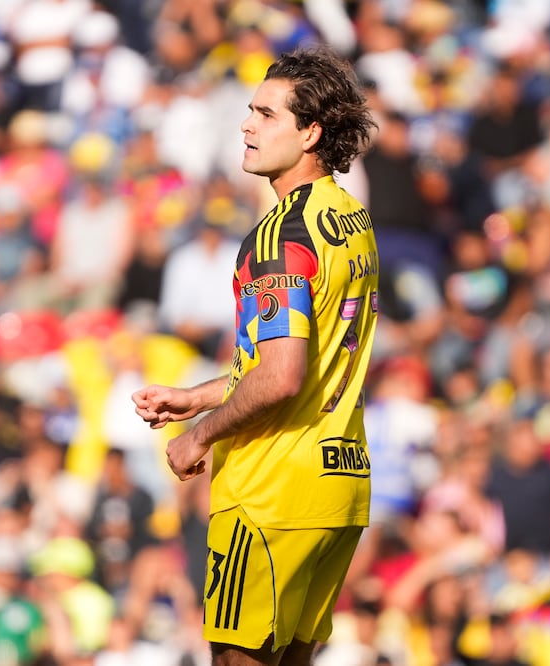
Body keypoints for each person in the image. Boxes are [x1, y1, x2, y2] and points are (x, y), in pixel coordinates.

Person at [132, 47, 378, 666]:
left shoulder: (280, 237)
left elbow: (281, 376)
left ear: (311, 132)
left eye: (266, 115)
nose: (247, 125)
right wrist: (194, 397)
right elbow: (297, 355)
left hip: (272, 491)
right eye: (250, 110)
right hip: (337, 484)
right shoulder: (350, 220)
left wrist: (199, 437)